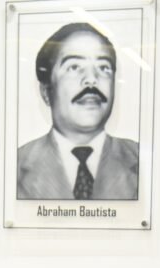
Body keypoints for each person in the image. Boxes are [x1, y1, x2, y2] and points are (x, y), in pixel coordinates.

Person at [17, 22, 139, 201]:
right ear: (46, 91)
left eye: (103, 67)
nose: (91, 80)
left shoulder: (141, 161)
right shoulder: (15, 165)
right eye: (74, 67)